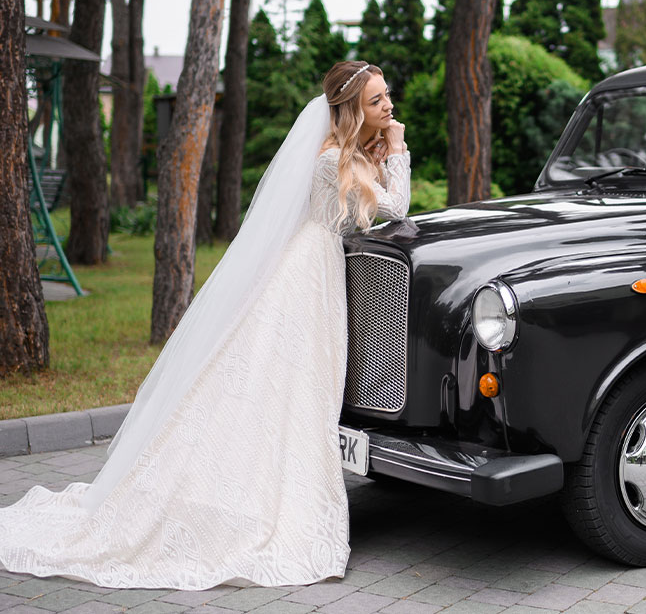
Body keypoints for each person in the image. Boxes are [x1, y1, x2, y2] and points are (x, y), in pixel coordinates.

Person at [0, 60, 411, 589]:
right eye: (377, 100)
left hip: (316, 269)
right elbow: (397, 208)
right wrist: (397, 147)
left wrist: (378, 153)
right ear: (353, 109)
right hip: (307, 275)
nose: (388, 105)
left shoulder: (343, 153)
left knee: (291, 384)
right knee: (290, 384)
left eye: (387, 95)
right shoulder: (333, 159)